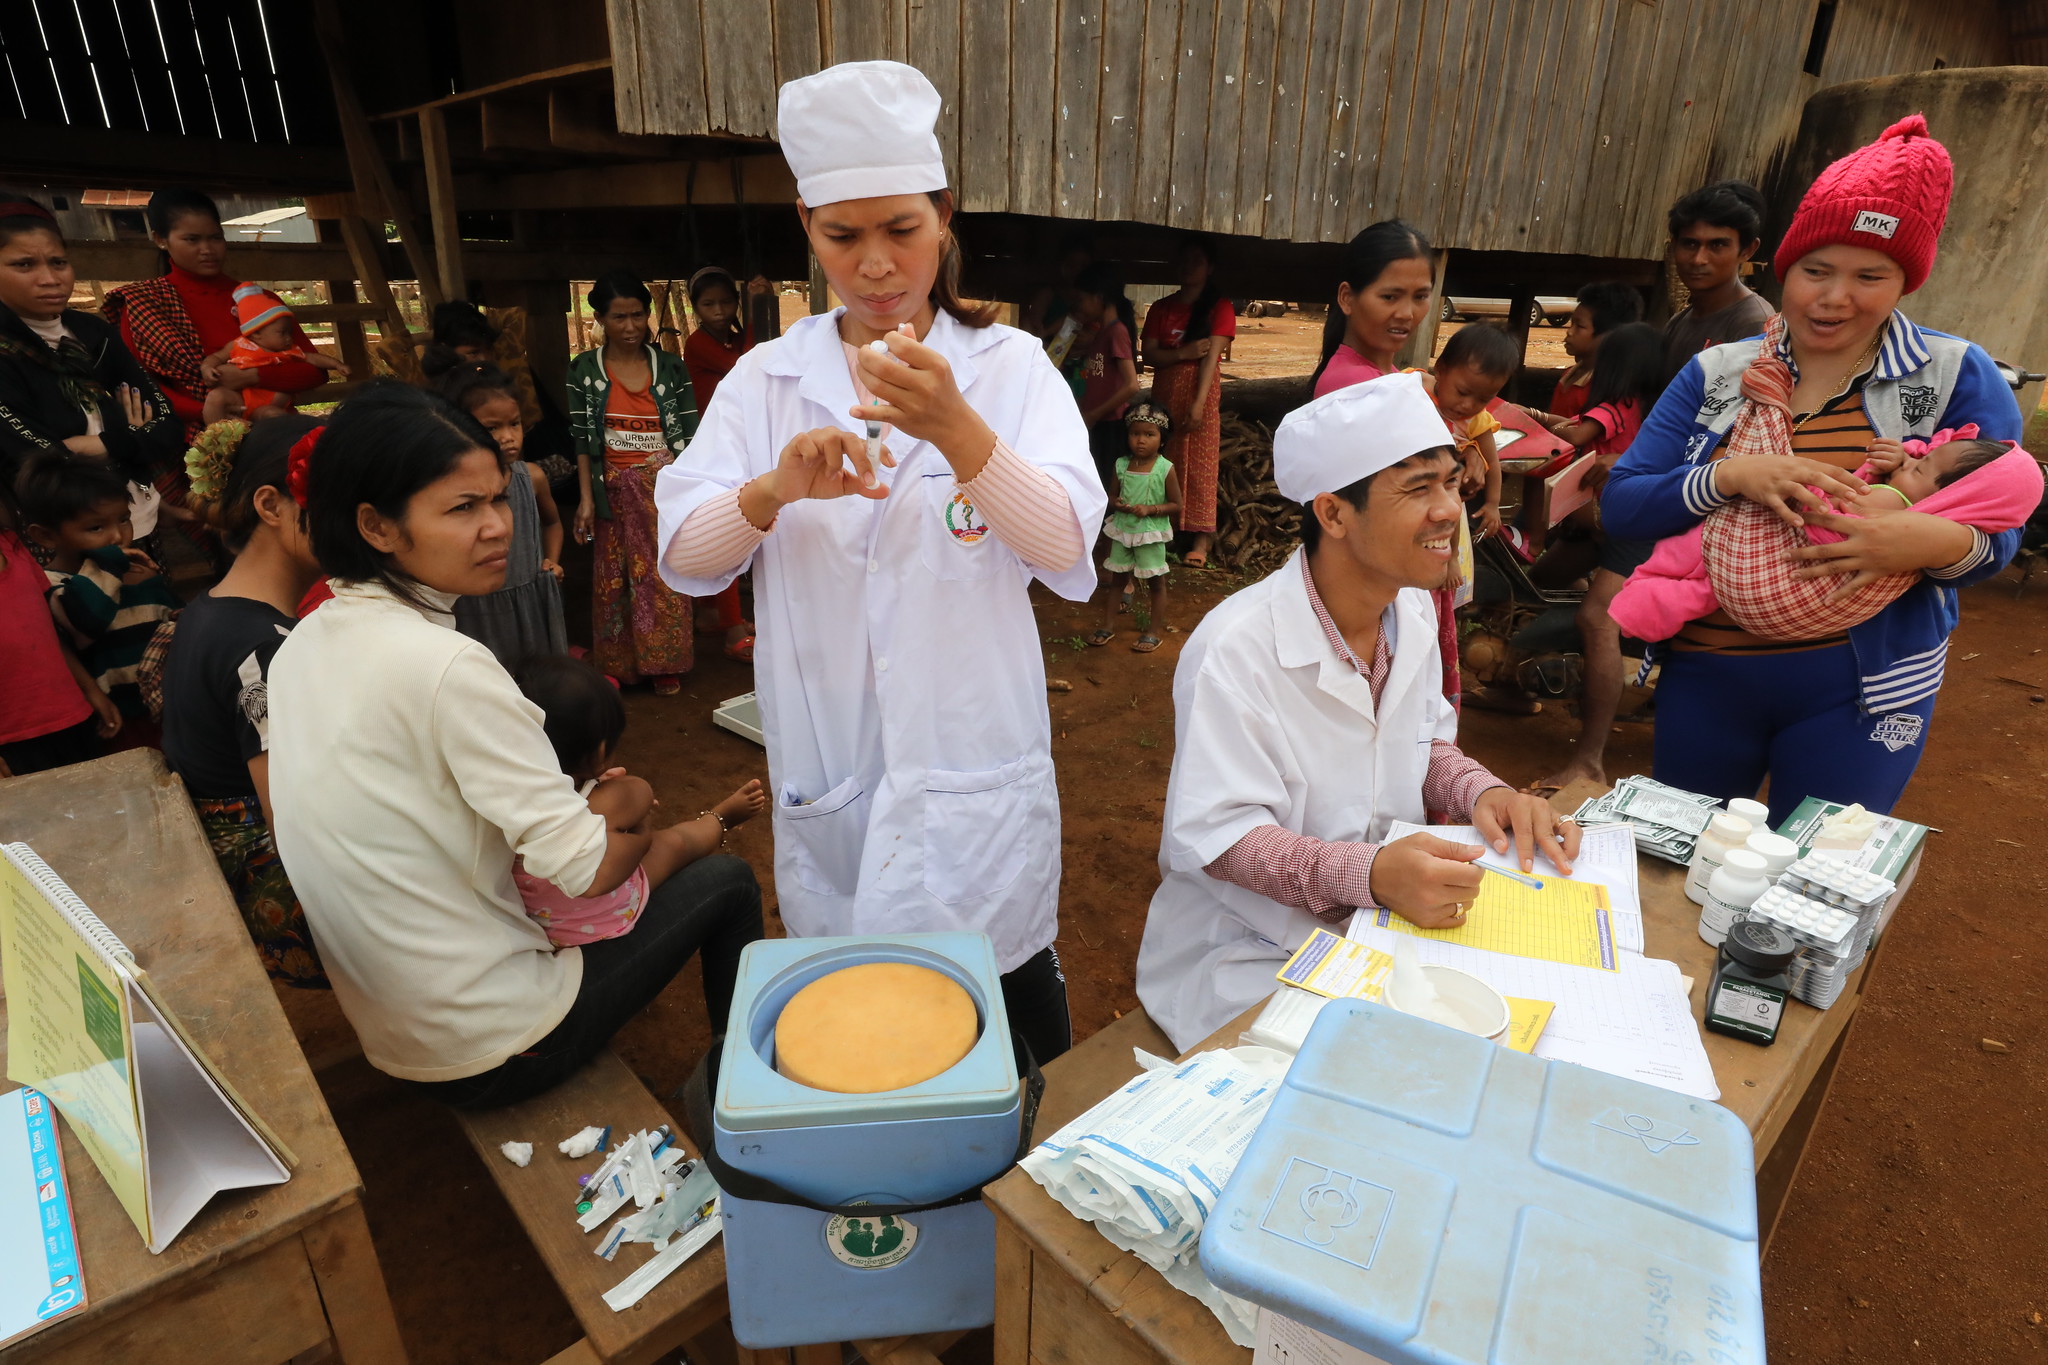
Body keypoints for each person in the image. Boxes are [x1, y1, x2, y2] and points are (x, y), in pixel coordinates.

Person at [656, 61, 1106, 1065]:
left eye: (900, 228)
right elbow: (685, 558)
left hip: (971, 753)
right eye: (841, 234)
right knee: (860, 1019)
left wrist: (959, 433)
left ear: (944, 217)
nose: (872, 263)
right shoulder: (766, 381)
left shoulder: (1007, 369)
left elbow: (1067, 546)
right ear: (806, 230)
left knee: (1008, 997)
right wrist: (768, 493)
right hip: (836, 764)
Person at [267, 382, 764, 1106]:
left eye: (498, 498)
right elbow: (588, 869)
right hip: (494, 1040)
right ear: (376, 525)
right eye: (462, 508)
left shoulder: (303, 640)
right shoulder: (447, 667)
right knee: (727, 882)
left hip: (393, 1022)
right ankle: (745, 1089)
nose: (499, 525)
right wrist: (637, 805)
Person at [1133, 373, 1580, 1049]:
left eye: (1452, 483)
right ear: (1334, 513)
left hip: (1380, 931)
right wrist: (1368, 874)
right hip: (1253, 953)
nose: (1447, 511)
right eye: (1417, 488)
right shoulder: (1235, 650)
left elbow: (1424, 745)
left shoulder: (1412, 614)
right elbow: (1222, 839)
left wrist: (1486, 792)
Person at [1604, 115, 2025, 822]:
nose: (1835, 297)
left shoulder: (1955, 376)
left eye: (1871, 276)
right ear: (1783, 268)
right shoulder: (1720, 375)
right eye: (1816, 271)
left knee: (1812, 891)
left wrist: (1926, 541)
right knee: (1679, 871)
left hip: (1865, 689)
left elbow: (1999, 530)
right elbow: (1624, 506)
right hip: (1709, 676)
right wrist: (1732, 477)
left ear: (1905, 282)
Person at [160, 415, 329, 985]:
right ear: (271, 505)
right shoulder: (266, 650)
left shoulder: (210, 610)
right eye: (339, 502)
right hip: (285, 908)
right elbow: (296, 829)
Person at [1612, 432, 2037, 644]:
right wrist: (1904, 462)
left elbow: (1832, 519)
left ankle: (1639, 604)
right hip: (1721, 659)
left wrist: (1808, 486)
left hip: (1837, 653)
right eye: (1815, 271)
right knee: (1696, 586)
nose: (1914, 458)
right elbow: (1622, 500)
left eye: (1921, 466)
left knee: (1684, 561)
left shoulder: (1897, 505)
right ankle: (1644, 608)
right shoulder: (1921, 495)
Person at [1498, 321, 1670, 782]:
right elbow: (1573, 429)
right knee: (1537, 585)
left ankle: (1590, 757)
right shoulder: (1657, 409)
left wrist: (1510, 425)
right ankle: (1517, 682)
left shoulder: (1621, 403)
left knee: (1596, 620)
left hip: (1622, 527)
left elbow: (1572, 437)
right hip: (1608, 524)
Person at [509, 653, 767, 947]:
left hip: (544, 926)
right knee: (675, 842)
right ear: (600, 751)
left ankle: (717, 819)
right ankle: (720, 818)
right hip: (607, 913)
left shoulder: (506, 797)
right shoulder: (611, 797)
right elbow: (639, 810)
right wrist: (642, 827)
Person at [0, 198, 182, 543]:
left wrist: (95, 445)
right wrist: (130, 437)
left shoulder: (92, 333)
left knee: (152, 597)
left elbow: (167, 427)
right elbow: (38, 463)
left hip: (135, 518)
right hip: (64, 537)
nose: (50, 279)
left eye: (59, 262)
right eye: (24, 265)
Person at [104, 189, 330, 443]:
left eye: (215, 238)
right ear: (160, 239)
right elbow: (138, 385)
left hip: (273, 435)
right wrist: (209, 413)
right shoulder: (144, 305)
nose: (207, 249)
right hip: (188, 440)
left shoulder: (259, 300)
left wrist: (253, 376)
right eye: (192, 239)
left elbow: (315, 372)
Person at [567, 271, 701, 694]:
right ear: (601, 320)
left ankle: (665, 663)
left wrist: (687, 492)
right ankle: (617, 663)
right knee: (613, 576)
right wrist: (587, 500)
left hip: (662, 492)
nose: (630, 327)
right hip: (611, 493)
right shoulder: (584, 370)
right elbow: (583, 442)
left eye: (638, 316)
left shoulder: (672, 368)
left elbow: (690, 440)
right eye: (619, 317)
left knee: (663, 575)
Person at [18, 452, 181, 727]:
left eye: (123, 519)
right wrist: (111, 564)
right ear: (45, 536)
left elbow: (173, 622)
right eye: (95, 527)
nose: (118, 535)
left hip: (170, 706)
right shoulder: (53, 585)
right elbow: (86, 621)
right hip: (115, 718)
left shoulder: (138, 572)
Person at [440, 362, 569, 664]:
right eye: (492, 428)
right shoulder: (449, 488)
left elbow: (552, 523)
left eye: (514, 423)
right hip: (476, 609)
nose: (508, 436)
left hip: (530, 605)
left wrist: (552, 560)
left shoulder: (532, 478)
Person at [0, 487, 120, 777]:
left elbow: (46, 634)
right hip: (13, 739)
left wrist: (90, 690)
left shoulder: (12, 547)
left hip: (71, 717)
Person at [679, 266, 760, 661]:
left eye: (727, 302)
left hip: (734, 438)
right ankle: (732, 629)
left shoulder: (729, 340)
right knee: (728, 528)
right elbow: (750, 362)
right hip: (710, 445)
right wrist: (754, 309)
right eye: (709, 304)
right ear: (695, 308)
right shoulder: (698, 344)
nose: (719, 310)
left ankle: (712, 613)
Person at [1140, 235, 1233, 568]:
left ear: (1210, 268)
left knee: (1202, 463)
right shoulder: (1162, 308)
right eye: (1185, 259)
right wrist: (1183, 353)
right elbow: (1149, 354)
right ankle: (1164, 529)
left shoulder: (1220, 307)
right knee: (1166, 459)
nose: (1188, 266)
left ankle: (1201, 538)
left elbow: (1211, 360)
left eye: (1197, 260)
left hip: (1201, 393)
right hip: (1164, 393)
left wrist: (1198, 403)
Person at [1089, 403, 1179, 653]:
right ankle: (1107, 625)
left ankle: (1152, 631)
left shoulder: (1165, 468)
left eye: (1149, 435)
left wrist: (1150, 509)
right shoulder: (1121, 465)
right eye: (1135, 433)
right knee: (1118, 579)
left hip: (1149, 533)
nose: (1141, 440)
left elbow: (1176, 504)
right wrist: (1115, 502)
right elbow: (1112, 495)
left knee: (1156, 582)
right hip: (1123, 529)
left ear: (1162, 439)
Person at [1662, 180, 1775, 381]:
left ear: (1748, 250)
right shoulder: (1677, 323)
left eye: (1717, 245)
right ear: (1673, 247)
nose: (1698, 259)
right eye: (1690, 244)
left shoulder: (1754, 323)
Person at [1310, 220, 1434, 398]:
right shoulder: (1356, 384)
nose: (1407, 314)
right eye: (1389, 297)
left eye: (1420, 297)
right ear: (1346, 298)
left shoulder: (1388, 377)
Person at [200, 286, 349, 423]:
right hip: (242, 400)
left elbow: (312, 358)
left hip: (268, 405)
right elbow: (217, 357)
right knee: (215, 398)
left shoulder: (288, 350)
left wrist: (336, 364)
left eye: (289, 332)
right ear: (256, 333)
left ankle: (278, 432)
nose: (289, 338)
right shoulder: (238, 345)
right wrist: (207, 367)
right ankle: (217, 438)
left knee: (273, 415)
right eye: (282, 333)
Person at [1068, 262, 1142, 495]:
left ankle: (1107, 530)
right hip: (1100, 422)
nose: (1079, 306)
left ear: (1098, 298)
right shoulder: (1102, 332)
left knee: (1106, 483)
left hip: (1111, 423)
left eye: (1082, 299)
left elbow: (1132, 385)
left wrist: (1094, 413)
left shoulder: (1116, 332)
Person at [1526, 281, 1643, 423]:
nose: (1569, 332)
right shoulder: (1569, 374)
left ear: (1609, 335)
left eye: (1579, 326)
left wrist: (1533, 415)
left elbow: (1579, 430)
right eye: (1571, 324)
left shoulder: (1611, 389)